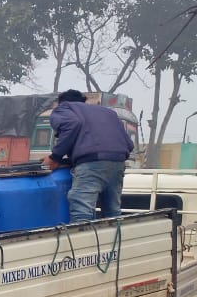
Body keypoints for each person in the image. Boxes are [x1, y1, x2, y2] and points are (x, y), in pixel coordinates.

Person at [44, 89, 134, 223]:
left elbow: (72, 124)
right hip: (118, 162)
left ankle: (82, 242)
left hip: (92, 164)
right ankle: (114, 242)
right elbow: (129, 144)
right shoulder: (108, 113)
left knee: (82, 212)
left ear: (61, 103)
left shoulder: (63, 108)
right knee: (112, 213)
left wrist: (55, 157)